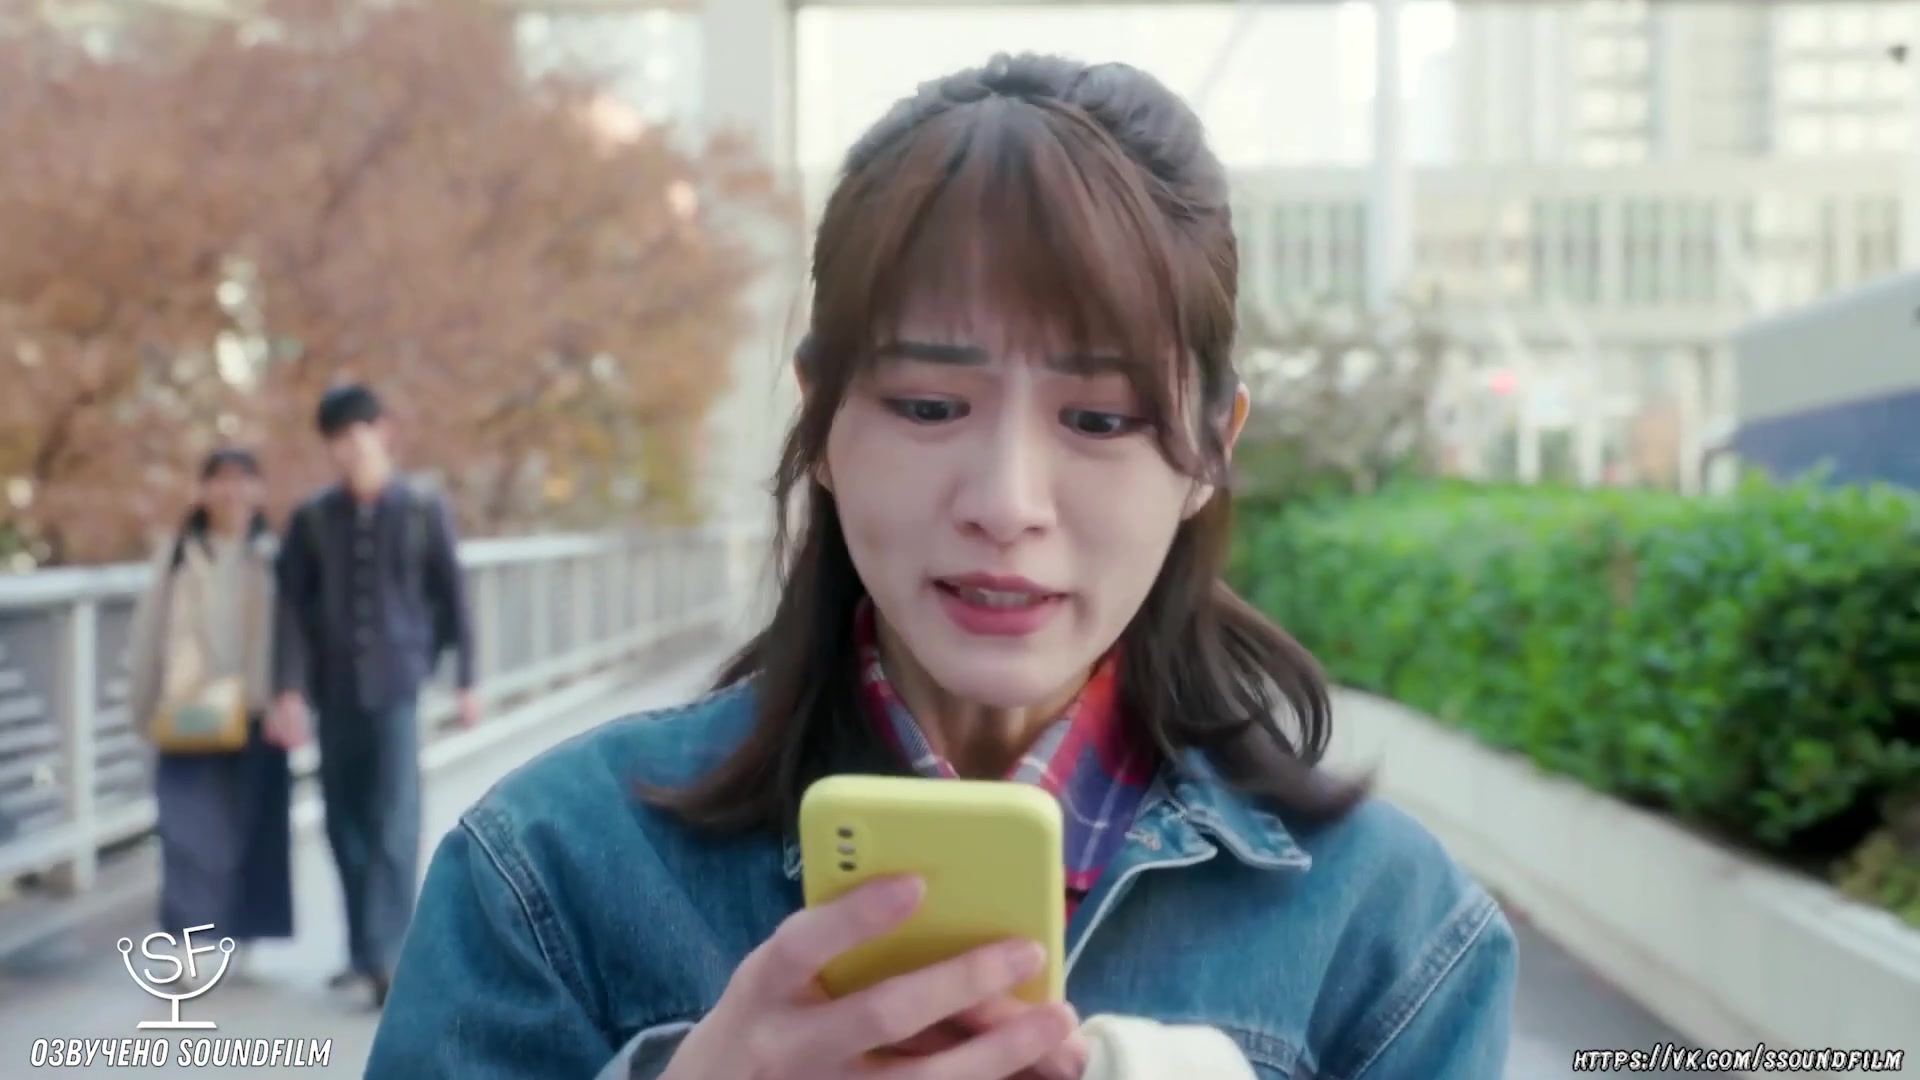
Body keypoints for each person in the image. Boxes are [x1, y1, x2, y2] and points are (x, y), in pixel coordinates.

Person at [367, 53, 1516, 1079]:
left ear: (1213, 447)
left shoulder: (1389, 936)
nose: (1006, 504)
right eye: (928, 404)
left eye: (1099, 419)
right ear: (821, 420)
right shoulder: (551, 875)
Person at [268, 383, 477, 1009]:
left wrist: (466, 679)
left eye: (356, 434)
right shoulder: (312, 519)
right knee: (343, 822)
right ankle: (362, 951)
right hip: (334, 690)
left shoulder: (421, 509)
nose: (348, 449)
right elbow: (290, 611)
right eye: (336, 439)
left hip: (397, 686)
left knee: (394, 819)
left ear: (381, 432)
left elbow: (453, 596)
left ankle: (389, 956)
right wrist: (287, 689)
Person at [126, 448, 293, 977]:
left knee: (254, 828)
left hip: (254, 709)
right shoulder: (177, 552)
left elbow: (296, 635)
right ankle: (189, 940)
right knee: (186, 829)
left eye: (243, 480)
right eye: (219, 480)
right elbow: (148, 631)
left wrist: (292, 699)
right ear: (201, 490)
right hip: (189, 709)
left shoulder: (275, 555)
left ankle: (244, 936)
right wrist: (142, 705)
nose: (231, 491)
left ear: (259, 491)